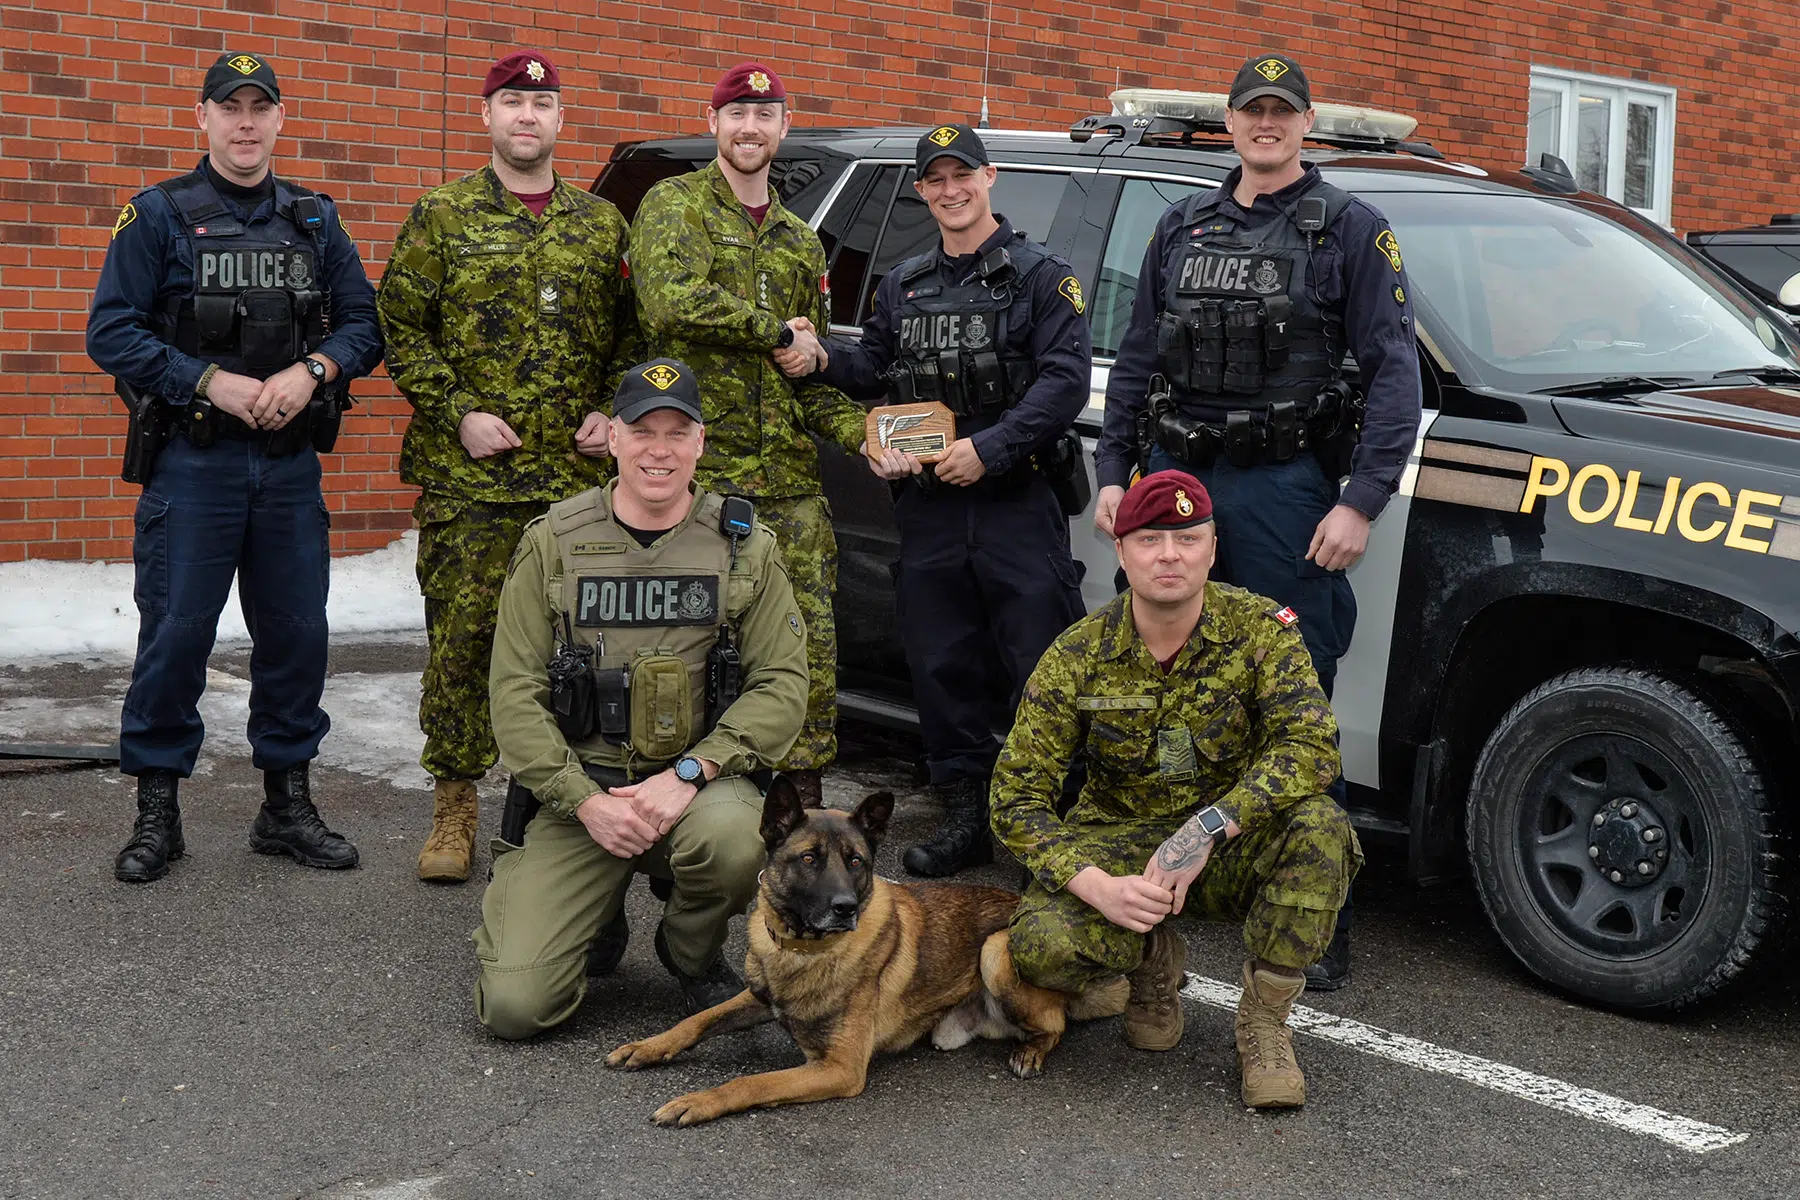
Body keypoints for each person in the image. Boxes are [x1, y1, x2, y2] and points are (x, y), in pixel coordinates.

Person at [1091, 53, 1422, 989]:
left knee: (1293, 697)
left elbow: (1394, 374)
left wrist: (1360, 500)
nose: (1266, 125)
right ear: (1230, 124)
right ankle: (1158, 887)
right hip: (1180, 481)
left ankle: (1318, 915)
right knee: (1155, 681)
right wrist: (1118, 472)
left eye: (1282, 111)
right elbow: (1141, 356)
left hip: (1284, 488)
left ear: (1306, 122)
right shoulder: (1181, 223)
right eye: (1252, 111)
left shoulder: (1350, 228)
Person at [87, 51, 384, 884]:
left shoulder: (315, 221)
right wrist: (208, 379)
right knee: (176, 635)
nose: (246, 122)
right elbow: (111, 332)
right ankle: (158, 812)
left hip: (288, 469)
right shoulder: (156, 217)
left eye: (261, 107)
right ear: (204, 117)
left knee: (295, 636)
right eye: (230, 107)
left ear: (281, 119)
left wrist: (313, 371)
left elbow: (364, 323)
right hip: (195, 464)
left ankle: (285, 805)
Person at [993, 470, 1360, 1109]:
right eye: (1151, 539)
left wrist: (1208, 828)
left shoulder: (1262, 631)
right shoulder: (1078, 654)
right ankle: (1151, 960)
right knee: (1038, 950)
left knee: (1320, 828)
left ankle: (1266, 1024)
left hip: (1225, 845)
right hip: (1120, 845)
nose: (1170, 555)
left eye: (1188, 539)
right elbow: (1014, 796)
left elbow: (1311, 748)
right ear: (1122, 550)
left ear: (1214, 548)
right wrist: (1094, 885)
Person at [473, 359, 809, 1038]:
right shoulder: (554, 543)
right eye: (643, 430)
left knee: (736, 841)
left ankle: (689, 952)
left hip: (697, 788)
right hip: (582, 791)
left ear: (700, 444)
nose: (660, 449)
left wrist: (692, 773)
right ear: (613, 439)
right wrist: (585, 802)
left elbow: (782, 686)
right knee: (513, 1010)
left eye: (677, 432)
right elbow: (513, 696)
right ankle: (595, 915)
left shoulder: (744, 547)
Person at [377, 50, 640, 884]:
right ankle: (455, 807)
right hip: (473, 486)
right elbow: (401, 331)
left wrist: (614, 408)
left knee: (578, 649)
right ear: (486, 115)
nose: (527, 116)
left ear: (562, 122)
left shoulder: (602, 225)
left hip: (576, 484)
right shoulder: (442, 215)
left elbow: (636, 336)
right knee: (463, 643)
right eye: (512, 102)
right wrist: (458, 412)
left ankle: (550, 811)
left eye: (542, 104)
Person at [808, 123, 1090, 877]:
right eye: (934, 180)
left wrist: (989, 449)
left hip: (1016, 501)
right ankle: (966, 816)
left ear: (989, 177)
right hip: (930, 508)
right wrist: (816, 354)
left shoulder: (1040, 277)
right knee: (942, 666)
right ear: (922, 191)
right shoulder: (902, 284)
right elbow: (871, 364)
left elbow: (1064, 383)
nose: (949, 189)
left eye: (961, 174)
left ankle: (1041, 833)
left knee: (1041, 666)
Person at [628, 62, 867, 810]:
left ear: (784, 128)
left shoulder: (801, 242)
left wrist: (866, 434)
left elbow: (805, 372)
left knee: (805, 645)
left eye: (766, 116)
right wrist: (772, 330)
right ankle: (676, 795)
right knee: (687, 642)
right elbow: (669, 303)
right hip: (698, 478)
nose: (750, 129)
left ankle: (798, 799)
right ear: (714, 122)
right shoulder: (674, 206)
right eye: (737, 114)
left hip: (789, 482)